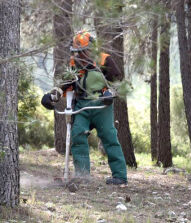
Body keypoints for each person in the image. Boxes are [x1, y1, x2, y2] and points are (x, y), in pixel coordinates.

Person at [41, 30, 127, 185]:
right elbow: (64, 85)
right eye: (76, 52)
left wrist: (111, 93)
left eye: (82, 52)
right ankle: (83, 175)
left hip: (102, 104)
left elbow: (118, 82)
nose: (79, 56)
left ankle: (120, 176)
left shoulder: (105, 61)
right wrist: (51, 96)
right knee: (77, 134)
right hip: (82, 106)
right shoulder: (74, 65)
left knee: (109, 137)